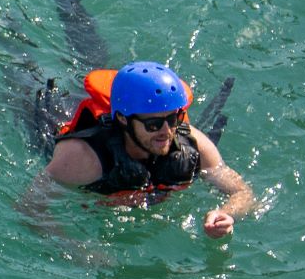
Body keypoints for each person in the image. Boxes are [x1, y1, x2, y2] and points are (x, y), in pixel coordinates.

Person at [23, 59, 256, 239]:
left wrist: (226, 214)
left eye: (173, 119)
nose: (166, 132)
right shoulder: (83, 158)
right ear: (123, 120)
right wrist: (81, 253)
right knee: (24, 73)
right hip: (54, 117)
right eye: (153, 124)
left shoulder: (191, 143)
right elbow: (30, 208)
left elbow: (242, 192)